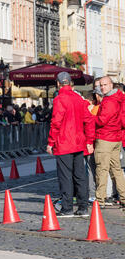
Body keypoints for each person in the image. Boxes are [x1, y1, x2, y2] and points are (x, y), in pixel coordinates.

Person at [47, 72, 95, 217]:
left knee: (65, 176)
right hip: (78, 142)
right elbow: (89, 120)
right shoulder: (79, 99)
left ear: (58, 83)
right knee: (80, 175)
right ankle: (83, 207)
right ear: (71, 83)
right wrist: (89, 141)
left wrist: (50, 142)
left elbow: (56, 122)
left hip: (64, 143)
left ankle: (67, 208)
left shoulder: (59, 99)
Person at [94, 76, 125, 209]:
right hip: (116, 137)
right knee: (116, 170)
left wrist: (91, 117)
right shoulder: (120, 98)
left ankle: (100, 199)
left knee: (102, 169)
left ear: (111, 85)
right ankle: (123, 196)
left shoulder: (109, 101)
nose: (102, 87)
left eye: (105, 85)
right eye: (101, 85)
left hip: (106, 137)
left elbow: (102, 120)